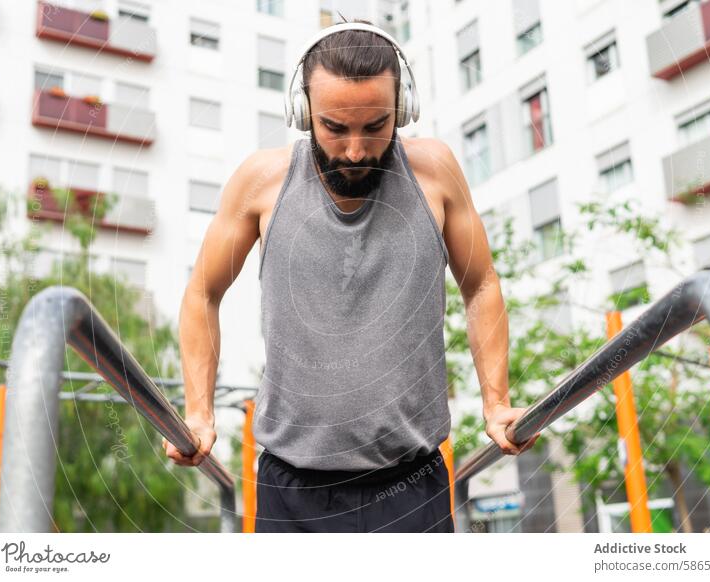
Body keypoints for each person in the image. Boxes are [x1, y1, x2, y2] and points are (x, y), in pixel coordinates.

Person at [163, 20, 539, 533]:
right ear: (303, 113)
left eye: (375, 126)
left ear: (402, 111)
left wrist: (496, 404)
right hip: (292, 491)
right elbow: (203, 293)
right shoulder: (261, 182)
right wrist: (200, 412)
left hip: (412, 484)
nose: (356, 151)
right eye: (335, 128)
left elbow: (482, 285)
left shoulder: (435, 172)